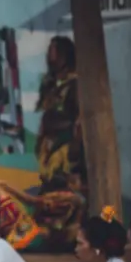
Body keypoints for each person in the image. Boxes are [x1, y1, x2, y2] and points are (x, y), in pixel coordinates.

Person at [35, 36, 83, 190]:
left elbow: (79, 118)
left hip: (65, 144)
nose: (49, 54)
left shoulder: (76, 83)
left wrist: (73, 147)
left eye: (53, 49)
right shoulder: (49, 84)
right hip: (48, 144)